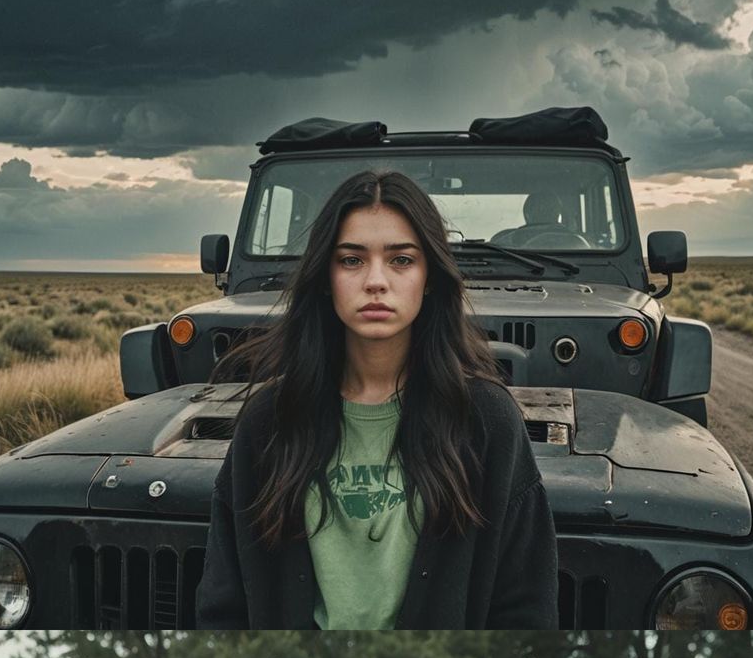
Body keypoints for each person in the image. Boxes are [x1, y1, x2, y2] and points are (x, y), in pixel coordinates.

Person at [195, 170, 558, 629]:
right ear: (325, 276)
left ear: (430, 276)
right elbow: (223, 602)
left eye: (401, 260)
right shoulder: (270, 419)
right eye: (351, 260)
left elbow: (525, 606)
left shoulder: (486, 420)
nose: (375, 281)